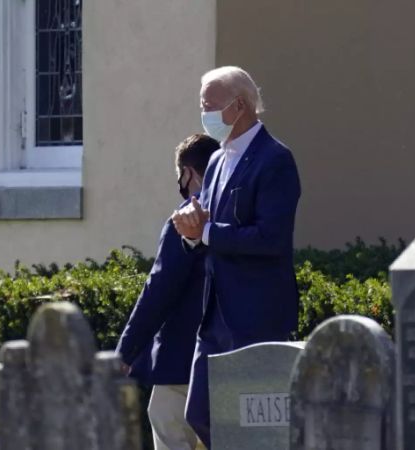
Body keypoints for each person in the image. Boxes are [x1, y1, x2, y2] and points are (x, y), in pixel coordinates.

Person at [171, 66, 301, 448]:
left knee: (258, 424)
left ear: (239, 105)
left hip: (256, 313)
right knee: (200, 413)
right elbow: (204, 222)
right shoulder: (215, 161)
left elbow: (270, 237)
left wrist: (207, 232)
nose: (205, 115)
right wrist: (190, 232)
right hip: (215, 314)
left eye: (209, 106)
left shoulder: (275, 159)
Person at [116, 134, 220, 450]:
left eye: (180, 176)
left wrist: (126, 350)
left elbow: (160, 287)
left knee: (166, 420)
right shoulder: (236, 213)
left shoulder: (185, 218)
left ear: (188, 173)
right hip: (234, 353)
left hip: (183, 361)